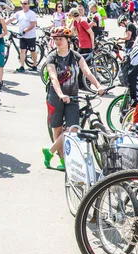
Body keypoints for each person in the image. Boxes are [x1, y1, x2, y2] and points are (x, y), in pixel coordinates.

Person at [42, 27, 106, 170]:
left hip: (73, 96)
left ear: (68, 40)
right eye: (56, 39)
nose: (58, 42)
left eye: (61, 39)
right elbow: (53, 77)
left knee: (73, 129)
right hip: (56, 96)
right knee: (57, 129)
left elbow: (87, 72)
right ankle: (63, 160)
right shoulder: (52, 57)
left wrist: (98, 86)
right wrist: (60, 95)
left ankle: (49, 151)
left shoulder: (76, 56)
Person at [5, 0, 38, 72]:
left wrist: (25, 31)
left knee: (32, 51)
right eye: (22, 3)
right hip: (22, 36)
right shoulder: (19, 13)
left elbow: (33, 24)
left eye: (25, 4)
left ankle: (34, 65)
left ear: (29, 4)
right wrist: (3, 24)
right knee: (22, 51)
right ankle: (22, 66)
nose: (23, 5)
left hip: (30, 36)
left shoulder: (32, 14)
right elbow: (11, 19)